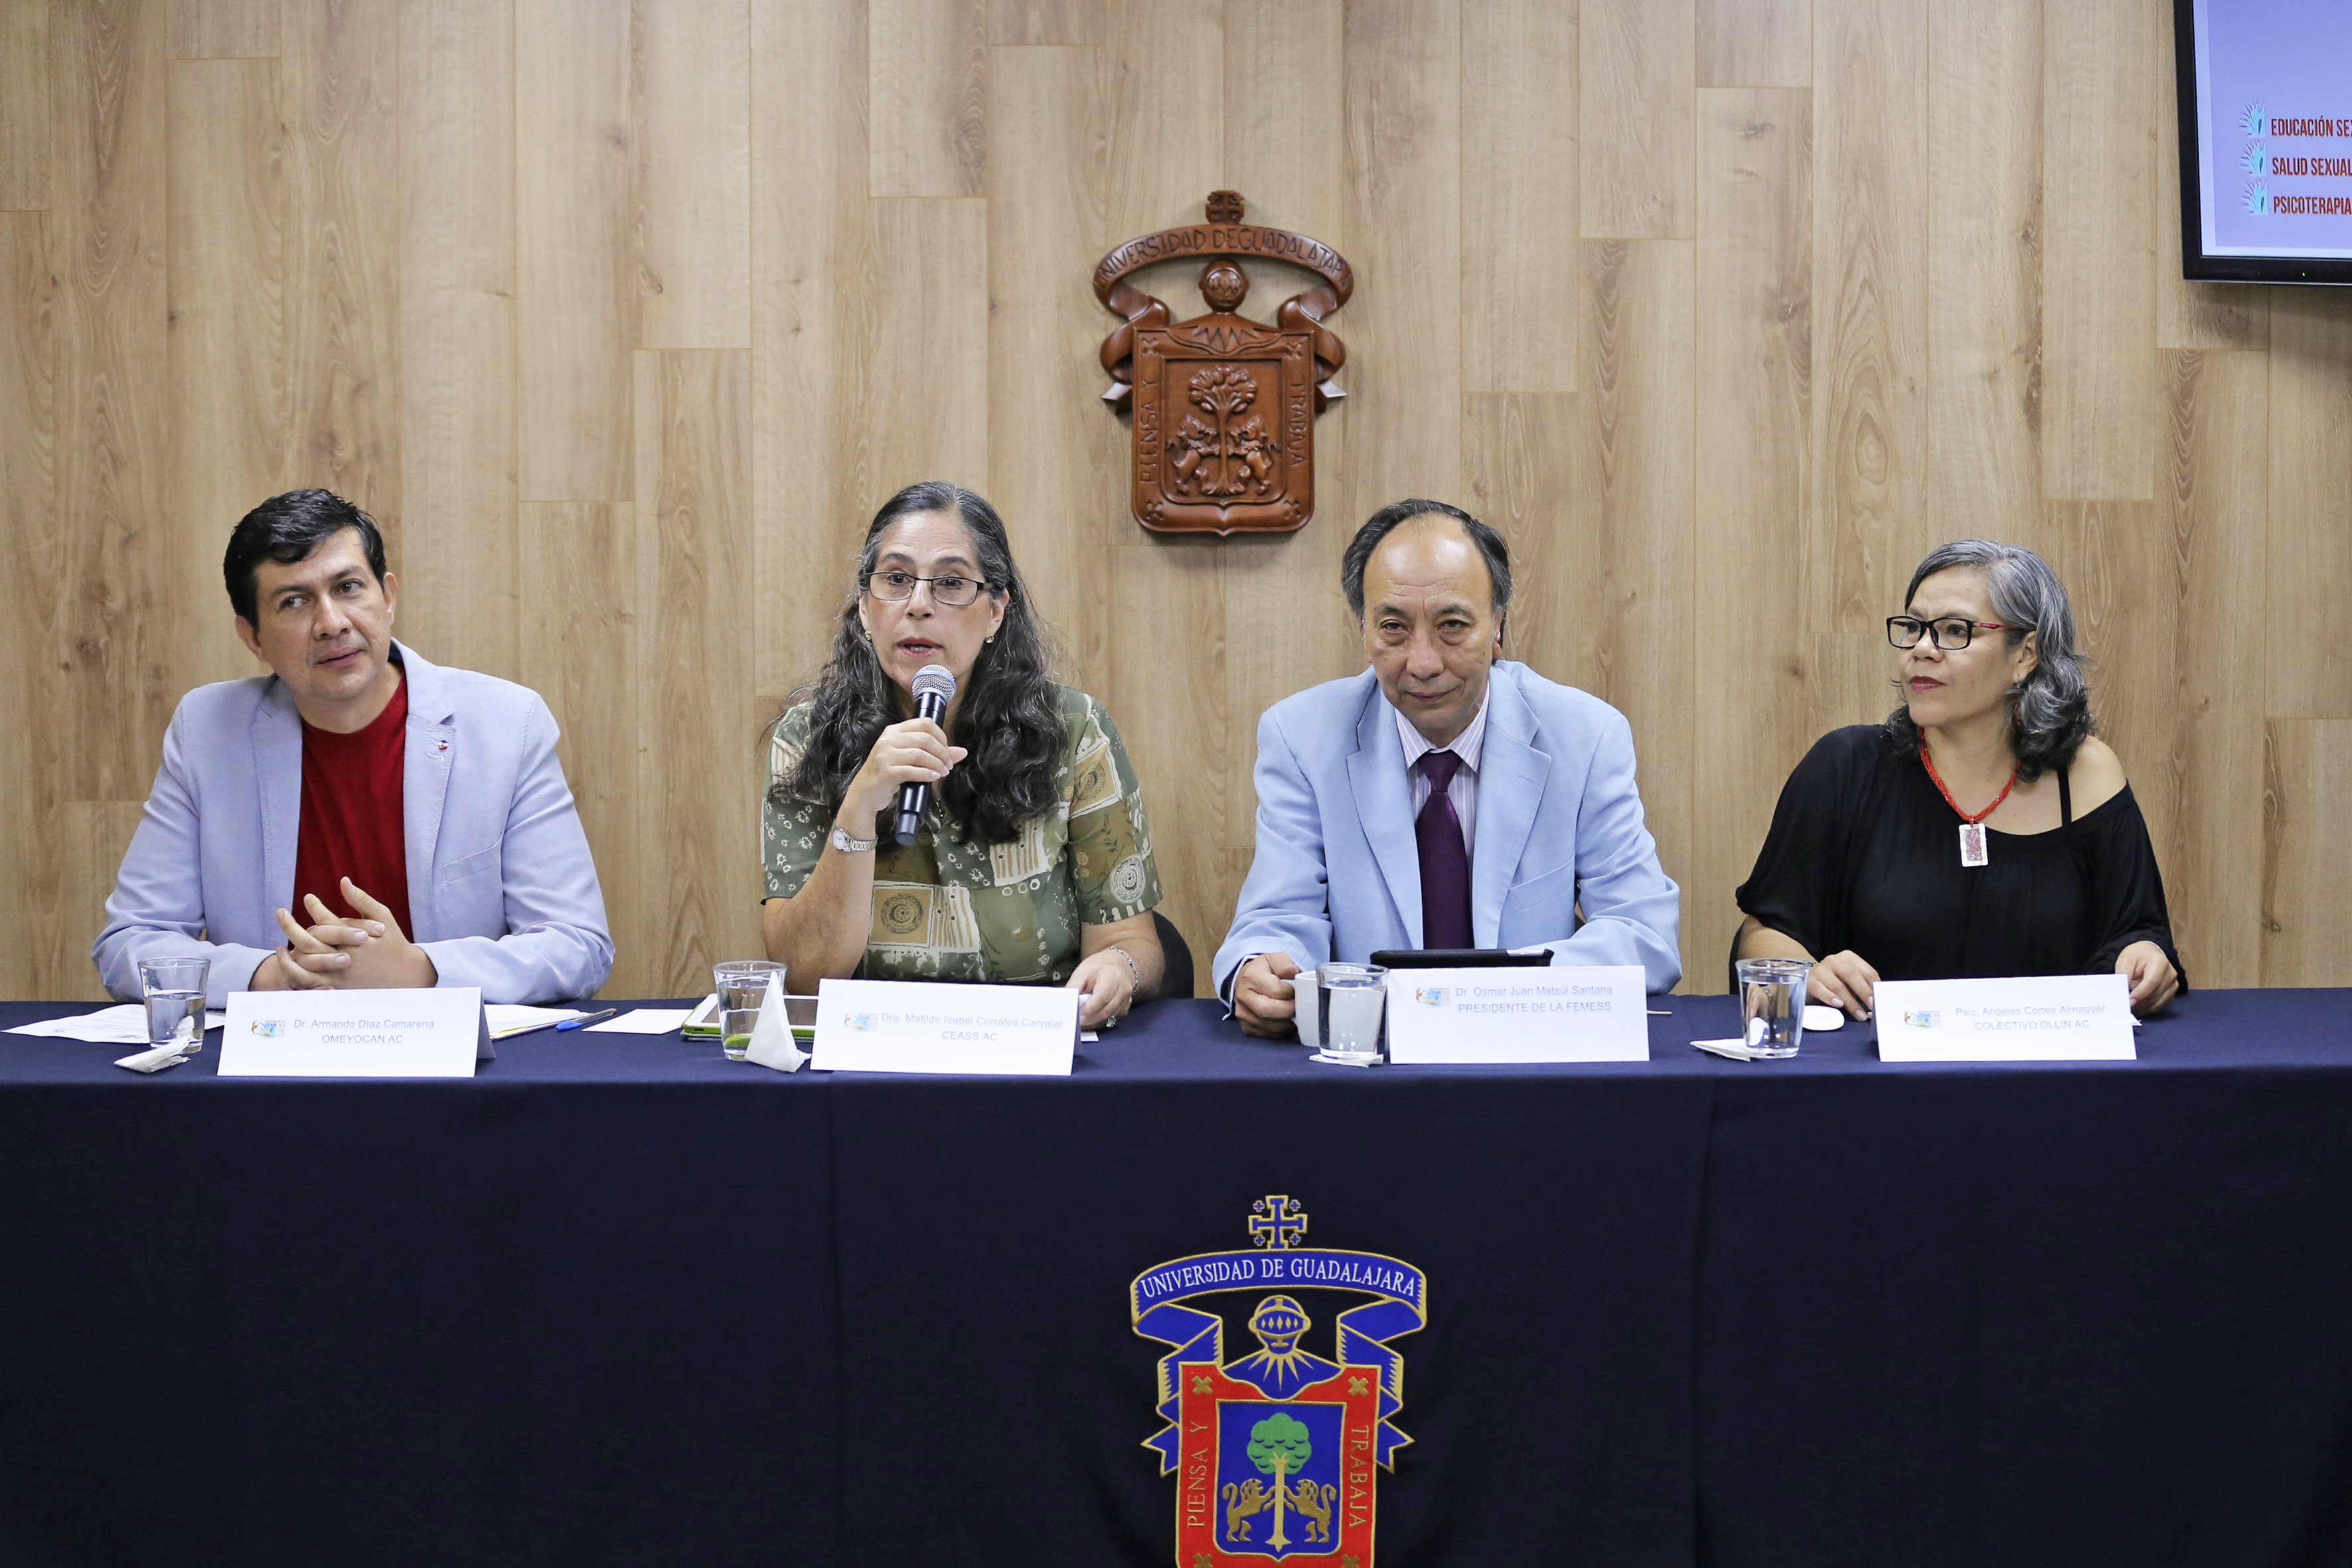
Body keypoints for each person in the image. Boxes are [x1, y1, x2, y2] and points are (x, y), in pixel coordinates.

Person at [94, 490, 615, 1007]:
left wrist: (420, 971)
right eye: (293, 602)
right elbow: (130, 944)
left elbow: (576, 945)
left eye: (347, 587)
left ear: (387, 597)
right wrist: (269, 976)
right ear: (252, 637)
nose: (332, 623)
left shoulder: (506, 723)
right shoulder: (208, 731)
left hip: (454, 1073)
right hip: (274, 1061)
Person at [1215, 499, 1684, 1038]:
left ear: (1498, 627)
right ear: (1362, 631)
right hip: (1371, 1061)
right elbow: (1278, 917)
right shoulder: (1301, 737)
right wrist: (1262, 970)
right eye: (1392, 626)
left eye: (1452, 626)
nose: (1422, 662)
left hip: (1531, 1052)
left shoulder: (1584, 736)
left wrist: (1485, 1000)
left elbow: (1641, 931)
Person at [761, 481, 1165, 1029]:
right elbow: (804, 977)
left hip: (1030, 1047)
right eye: (896, 580)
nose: (919, 606)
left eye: (951, 583)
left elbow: (1129, 940)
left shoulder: (1071, 729)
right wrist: (858, 809)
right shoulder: (807, 736)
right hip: (873, 1052)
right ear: (864, 607)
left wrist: (1119, 968)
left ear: (997, 611)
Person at [1735, 538, 2182, 1018]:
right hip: (1875, 1074)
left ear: (2024, 655)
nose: (1922, 650)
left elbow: (2136, 932)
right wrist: (1801, 972)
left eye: (1954, 630)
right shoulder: (1845, 766)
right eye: (1912, 628)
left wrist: (2143, 961)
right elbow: (1763, 930)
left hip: (2046, 1076)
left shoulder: (2085, 774)